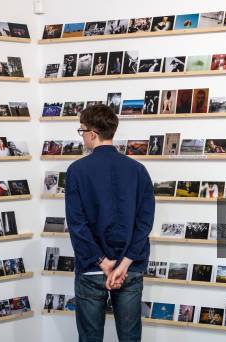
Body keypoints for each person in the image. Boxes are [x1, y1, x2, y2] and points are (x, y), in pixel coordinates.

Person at [66, 104, 154, 342]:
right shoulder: (138, 170)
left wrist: (104, 263)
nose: (82, 135)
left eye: (81, 130)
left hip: (92, 268)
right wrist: (123, 265)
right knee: (130, 338)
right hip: (130, 268)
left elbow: (77, 225)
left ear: (93, 133)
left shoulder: (76, 170)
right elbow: (144, 224)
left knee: (90, 339)